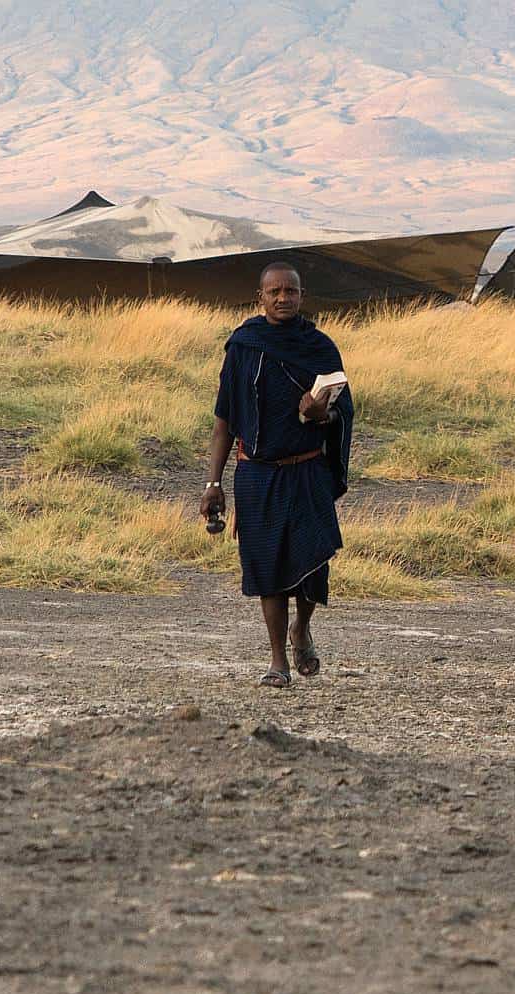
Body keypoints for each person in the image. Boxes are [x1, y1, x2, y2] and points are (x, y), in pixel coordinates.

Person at [201, 262, 355, 688]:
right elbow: (224, 423)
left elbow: (343, 410)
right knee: (267, 568)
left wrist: (322, 414)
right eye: (275, 292)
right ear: (261, 297)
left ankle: (301, 629)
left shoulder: (319, 347)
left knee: (313, 564)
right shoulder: (243, 347)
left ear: (302, 296)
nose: (283, 298)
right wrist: (213, 484)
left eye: (291, 291)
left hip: (307, 469)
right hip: (257, 474)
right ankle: (277, 660)